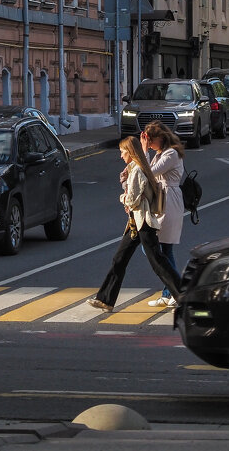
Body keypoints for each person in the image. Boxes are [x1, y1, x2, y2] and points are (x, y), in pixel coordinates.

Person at [87, 136, 183, 313]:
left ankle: (183, 296)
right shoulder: (134, 169)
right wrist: (125, 181)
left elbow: (132, 199)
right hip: (135, 223)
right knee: (120, 259)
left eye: (123, 152)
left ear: (131, 153)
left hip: (143, 223)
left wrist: (122, 197)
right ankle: (105, 299)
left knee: (158, 262)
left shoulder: (138, 170)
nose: (121, 156)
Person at [141, 121, 185, 308]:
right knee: (161, 250)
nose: (149, 144)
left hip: (169, 201)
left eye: (150, 141)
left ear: (160, 138)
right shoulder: (161, 153)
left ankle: (176, 291)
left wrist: (144, 151)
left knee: (158, 248)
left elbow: (149, 173)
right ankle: (169, 293)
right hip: (161, 201)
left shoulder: (171, 154)